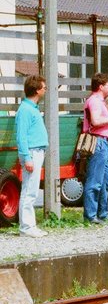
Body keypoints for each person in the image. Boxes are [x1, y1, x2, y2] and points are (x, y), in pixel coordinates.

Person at [82, 73, 108, 224]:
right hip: (97, 142)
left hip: (103, 141)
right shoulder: (95, 101)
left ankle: (102, 213)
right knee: (95, 181)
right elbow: (96, 121)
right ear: (101, 86)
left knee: (105, 181)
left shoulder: (100, 101)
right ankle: (91, 216)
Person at [15, 75, 48, 237]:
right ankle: (26, 227)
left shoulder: (32, 108)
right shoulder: (26, 110)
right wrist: (27, 157)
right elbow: (21, 136)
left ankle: (30, 225)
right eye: (44, 87)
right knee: (29, 189)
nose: (45, 90)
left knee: (32, 189)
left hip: (37, 151)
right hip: (32, 152)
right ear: (36, 90)